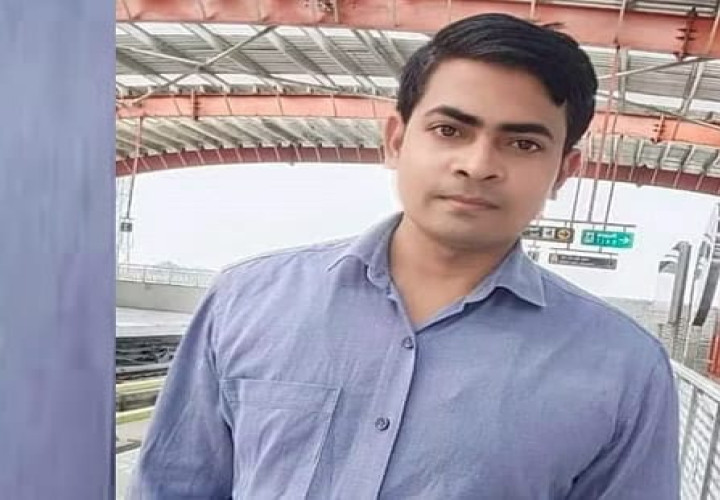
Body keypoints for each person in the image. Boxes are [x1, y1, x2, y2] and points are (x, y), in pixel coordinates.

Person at [129, 13, 679, 499]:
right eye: (449, 130)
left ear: (564, 171)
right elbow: (173, 485)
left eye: (523, 144)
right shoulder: (247, 301)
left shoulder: (623, 368)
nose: (477, 165)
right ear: (396, 140)